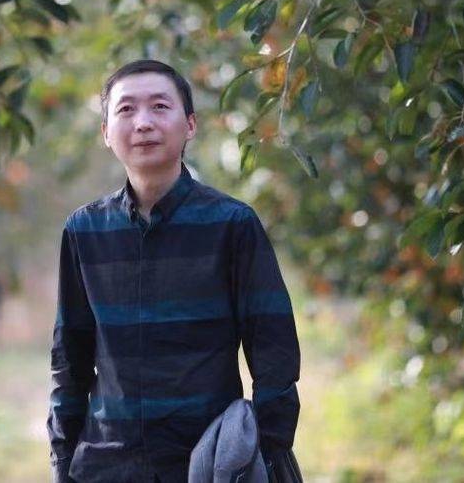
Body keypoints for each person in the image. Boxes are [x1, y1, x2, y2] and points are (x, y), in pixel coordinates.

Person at [47, 59, 302, 482]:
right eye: (126, 109)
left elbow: (273, 351)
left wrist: (267, 453)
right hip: (106, 467)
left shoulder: (232, 225)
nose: (143, 123)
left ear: (190, 125)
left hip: (209, 464)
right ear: (107, 133)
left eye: (160, 107)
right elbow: (69, 360)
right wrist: (62, 462)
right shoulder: (84, 230)